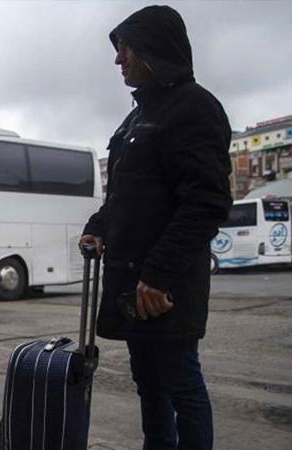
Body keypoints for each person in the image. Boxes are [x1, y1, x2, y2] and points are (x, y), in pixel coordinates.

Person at [80, 6, 232, 449]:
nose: (118, 59)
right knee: (148, 384)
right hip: (133, 283)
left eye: (125, 47)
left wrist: (159, 272)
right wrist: (97, 226)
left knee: (182, 385)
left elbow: (206, 202)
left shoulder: (195, 108)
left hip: (164, 288)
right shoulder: (135, 119)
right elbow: (125, 197)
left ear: (151, 49)